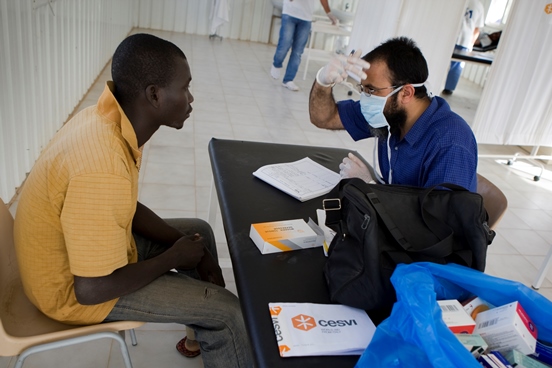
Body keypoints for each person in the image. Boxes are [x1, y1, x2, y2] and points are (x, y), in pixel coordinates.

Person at [13, 33, 253, 368]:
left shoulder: (103, 119)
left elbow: (122, 207)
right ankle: (218, 326)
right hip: (69, 291)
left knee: (198, 232)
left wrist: (182, 245)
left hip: (78, 260)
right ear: (154, 95)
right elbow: (91, 290)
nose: (191, 98)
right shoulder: (102, 164)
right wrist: (172, 256)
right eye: (184, 88)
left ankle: (201, 337)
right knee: (227, 311)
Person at [309, 37, 478, 192]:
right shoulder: (389, 113)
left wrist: (370, 188)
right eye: (363, 89)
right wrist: (323, 81)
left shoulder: (450, 143)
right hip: (391, 216)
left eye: (371, 89)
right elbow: (324, 118)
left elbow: (438, 222)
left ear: (406, 93)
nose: (365, 97)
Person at [271, 0, 338, 91]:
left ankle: (288, 80)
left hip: (306, 18)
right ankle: (277, 63)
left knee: (298, 51)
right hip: (290, 13)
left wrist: (330, 15)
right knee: (284, 44)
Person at [443, 0, 485, 94]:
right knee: (457, 65)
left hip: (452, 35)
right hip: (465, 39)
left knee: (442, 60)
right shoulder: (478, 5)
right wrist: (471, 44)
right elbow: (477, 29)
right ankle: (448, 89)